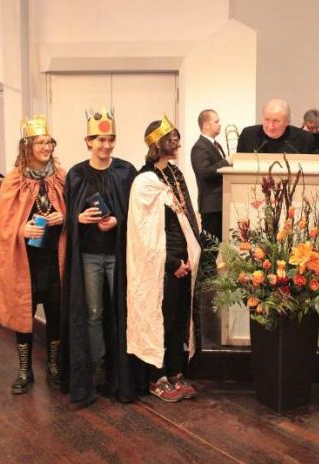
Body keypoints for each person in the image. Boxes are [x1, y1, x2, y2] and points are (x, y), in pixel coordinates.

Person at [61, 108, 145, 405]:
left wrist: (117, 221)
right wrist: (79, 219)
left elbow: (135, 214)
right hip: (90, 257)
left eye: (110, 139)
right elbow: (68, 216)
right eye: (100, 139)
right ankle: (97, 368)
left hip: (118, 256)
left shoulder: (125, 171)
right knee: (94, 314)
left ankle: (121, 372)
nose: (106, 145)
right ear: (88, 141)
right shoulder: (76, 174)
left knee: (121, 310)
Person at [127, 116, 201, 402]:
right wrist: (172, 263)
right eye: (171, 140)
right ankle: (156, 376)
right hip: (162, 264)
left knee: (180, 320)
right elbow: (143, 232)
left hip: (183, 258)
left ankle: (175, 371)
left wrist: (191, 256)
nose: (177, 144)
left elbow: (187, 218)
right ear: (157, 144)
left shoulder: (175, 174)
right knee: (162, 319)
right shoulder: (144, 180)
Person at [0, 115, 66, 394]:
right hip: (25, 261)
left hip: (53, 258)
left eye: (49, 141)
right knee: (24, 313)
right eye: (40, 142)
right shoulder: (14, 180)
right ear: (27, 146)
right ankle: (25, 369)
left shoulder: (60, 176)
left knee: (55, 311)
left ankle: (54, 365)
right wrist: (21, 229)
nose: (46, 147)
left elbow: (74, 211)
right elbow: (3, 222)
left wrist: (64, 216)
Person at [191, 109, 231, 241]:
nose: (220, 124)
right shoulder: (200, 147)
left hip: (219, 205)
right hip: (211, 206)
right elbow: (204, 173)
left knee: (217, 246)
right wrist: (226, 162)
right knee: (210, 249)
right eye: (216, 121)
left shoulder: (214, 144)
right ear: (206, 125)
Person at [237, 98, 315, 154]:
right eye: (266, 120)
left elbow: (317, 165)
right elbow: (237, 165)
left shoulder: (305, 139)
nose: (270, 126)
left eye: (276, 121)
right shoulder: (248, 135)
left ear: (287, 121)